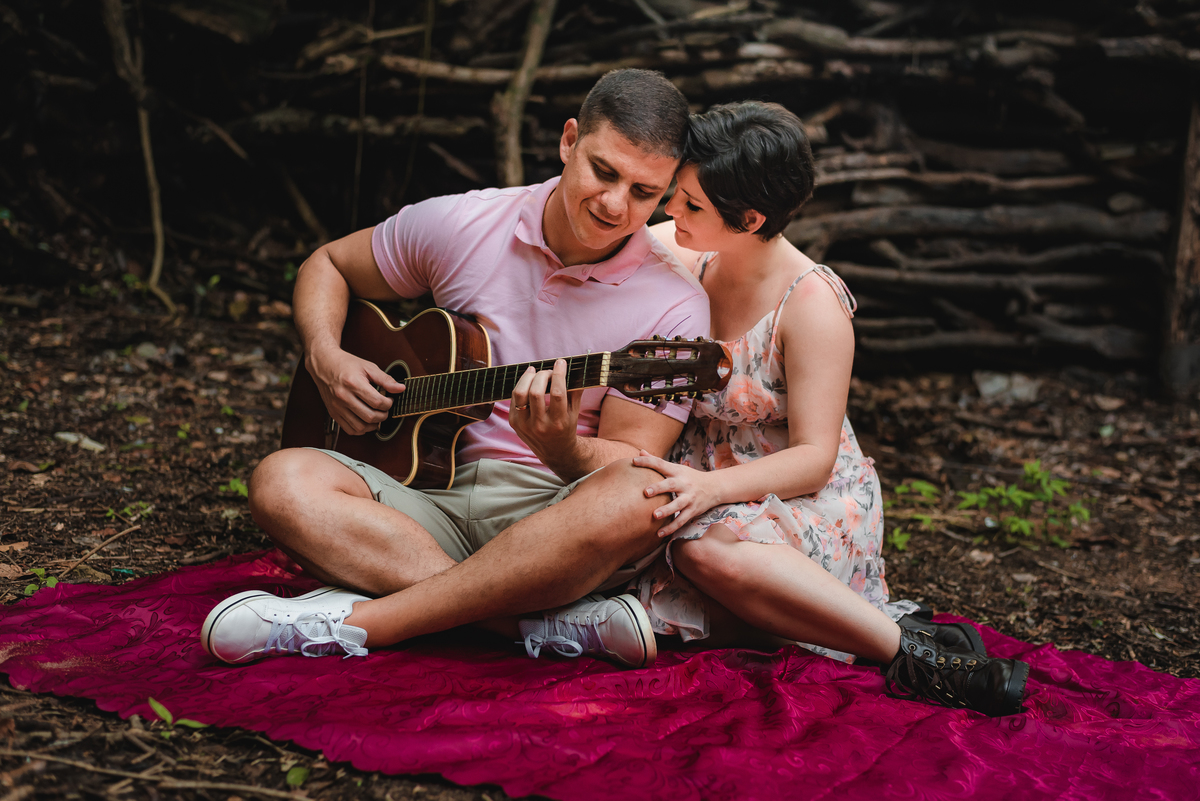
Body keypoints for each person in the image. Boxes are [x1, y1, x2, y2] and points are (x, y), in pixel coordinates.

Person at [200, 69, 711, 670]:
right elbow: (328, 264)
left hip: (551, 522)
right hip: (418, 500)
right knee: (281, 482)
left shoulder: (674, 304)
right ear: (569, 140)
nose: (614, 205)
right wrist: (326, 356)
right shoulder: (466, 224)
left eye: (644, 192)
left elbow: (635, 459)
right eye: (603, 171)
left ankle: (369, 621)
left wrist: (564, 451)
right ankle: (523, 624)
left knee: (639, 496)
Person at [625, 101, 1029, 717]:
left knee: (697, 554)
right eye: (676, 195)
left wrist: (712, 490)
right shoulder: (690, 252)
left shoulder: (812, 305)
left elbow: (814, 458)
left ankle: (910, 652)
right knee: (634, 575)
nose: (668, 211)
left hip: (796, 493)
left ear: (750, 218)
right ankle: (830, 623)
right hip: (706, 480)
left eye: (689, 204)